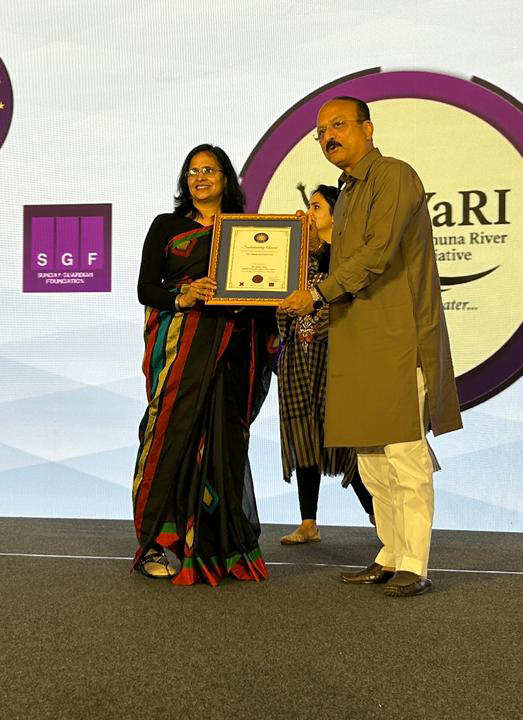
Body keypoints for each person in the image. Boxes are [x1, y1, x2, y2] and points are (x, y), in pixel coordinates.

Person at [279, 98, 463, 597]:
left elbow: (377, 253)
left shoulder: (393, 175)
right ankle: (390, 553)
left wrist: (316, 293)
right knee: (371, 461)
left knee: (404, 454)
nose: (328, 137)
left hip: (397, 336)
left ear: (368, 129)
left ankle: (415, 562)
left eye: (338, 125)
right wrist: (305, 247)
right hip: (356, 338)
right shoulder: (346, 190)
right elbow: (346, 259)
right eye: (321, 131)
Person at [132, 143, 275, 586]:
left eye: (209, 170)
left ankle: (220, 547)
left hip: (234, 349)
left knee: (224, 443)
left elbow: (266, 288)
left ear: (226, 179)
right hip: (182, 348)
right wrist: (184, 295)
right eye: (192, 171)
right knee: (169, 435)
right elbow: (146, 289)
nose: (200, 178)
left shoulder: (248, 232)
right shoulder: (166, 226)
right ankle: (158, 543)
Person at [275, 184, 374, 546]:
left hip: (337, 360)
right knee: (303, 437)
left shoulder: (346, 256)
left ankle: (379, 516)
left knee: (347, 443)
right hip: (297, 361)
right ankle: (308, 522)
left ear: (337, 214)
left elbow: (341, 278)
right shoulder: (295, 260)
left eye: (316, 207)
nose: (308, 213)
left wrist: (318, 248)